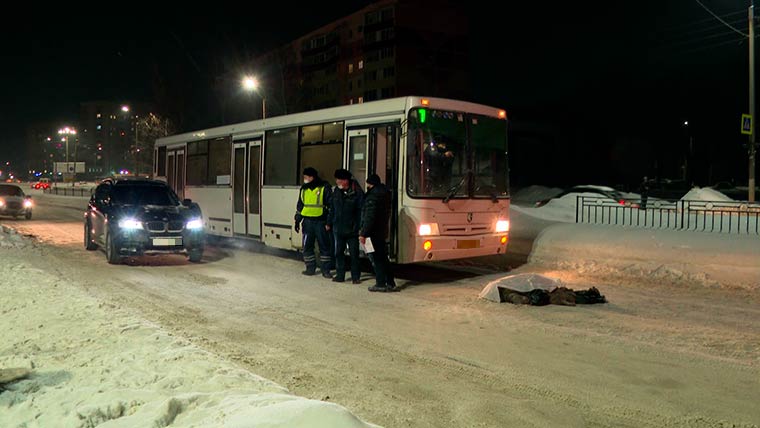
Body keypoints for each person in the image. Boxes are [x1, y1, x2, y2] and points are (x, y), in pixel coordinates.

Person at [359, 174, 396, 292]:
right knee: (383, 258)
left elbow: (369, 217)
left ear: (371, 183)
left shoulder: (372, 196)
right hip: (381, 230)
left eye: (368, 183)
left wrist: (363, 233)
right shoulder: (384, 194)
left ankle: (380, 283)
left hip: (372, 232)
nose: (367, 185)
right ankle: (390, 282)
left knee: (376, 258)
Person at [294, 167, 333, 278]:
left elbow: (330, 206)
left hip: (320, 221)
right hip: (307, 222)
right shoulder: (304, 189)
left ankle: (326, 270)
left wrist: (328, 222)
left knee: (324, 246)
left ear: (312, 177)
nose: (304, 179)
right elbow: (300, 205)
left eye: (306, 177)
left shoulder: (324, 187)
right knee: (307, 246)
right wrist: (297, 220)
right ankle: (310, 268)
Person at [327, 168, 364, 284]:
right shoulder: (336, 192)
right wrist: (329, 222)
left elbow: (361, 211)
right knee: (338, 253)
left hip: (352, 229)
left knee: (354, 254)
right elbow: (332, 209)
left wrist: (360, 227)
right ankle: (340, 275)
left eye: (339, 180)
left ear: (346, 180)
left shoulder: (357, 193)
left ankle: (355, 277)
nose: (337, 182)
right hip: (338, 228)